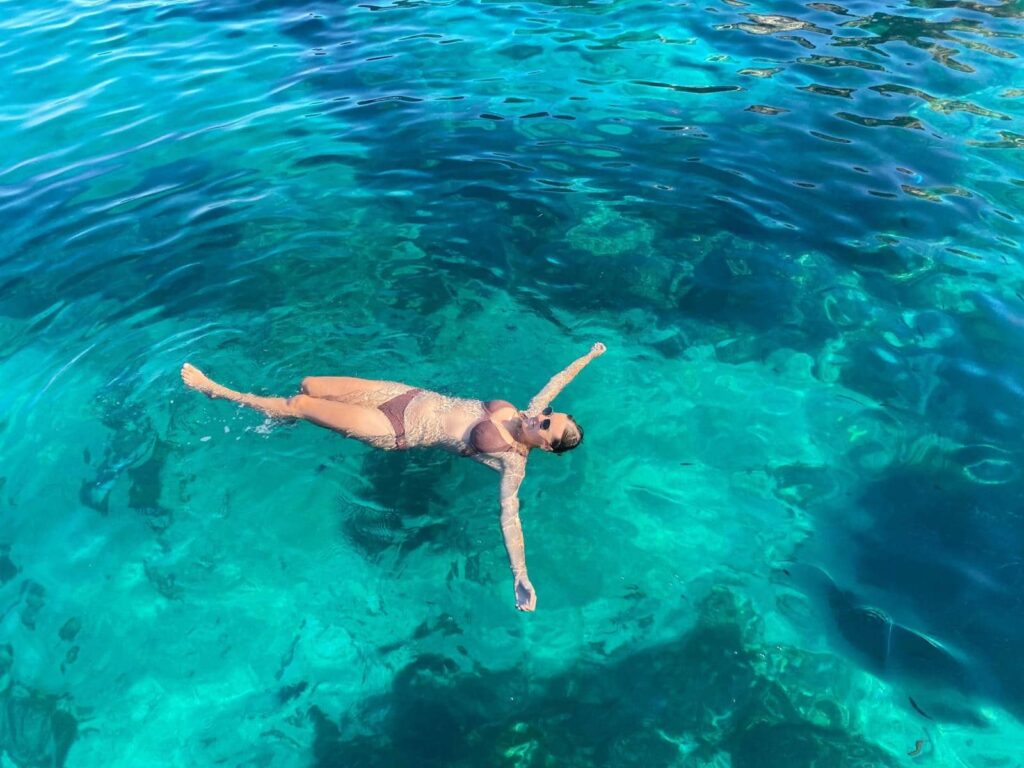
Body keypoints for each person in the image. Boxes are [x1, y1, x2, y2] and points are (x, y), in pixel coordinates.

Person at [180, 342, 606, 612]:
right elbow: (557, 381)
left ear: (546, 446)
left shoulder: (512, 462)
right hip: (403, 394)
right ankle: (283, 417)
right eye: (549, 413)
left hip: (395, 429)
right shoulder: (528, 411)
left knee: (298, 404)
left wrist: (520, 574)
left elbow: (509, 515)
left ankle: (217, 391)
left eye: (545, 424)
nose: (541, 415)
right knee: (309, 385)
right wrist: (588, 357)